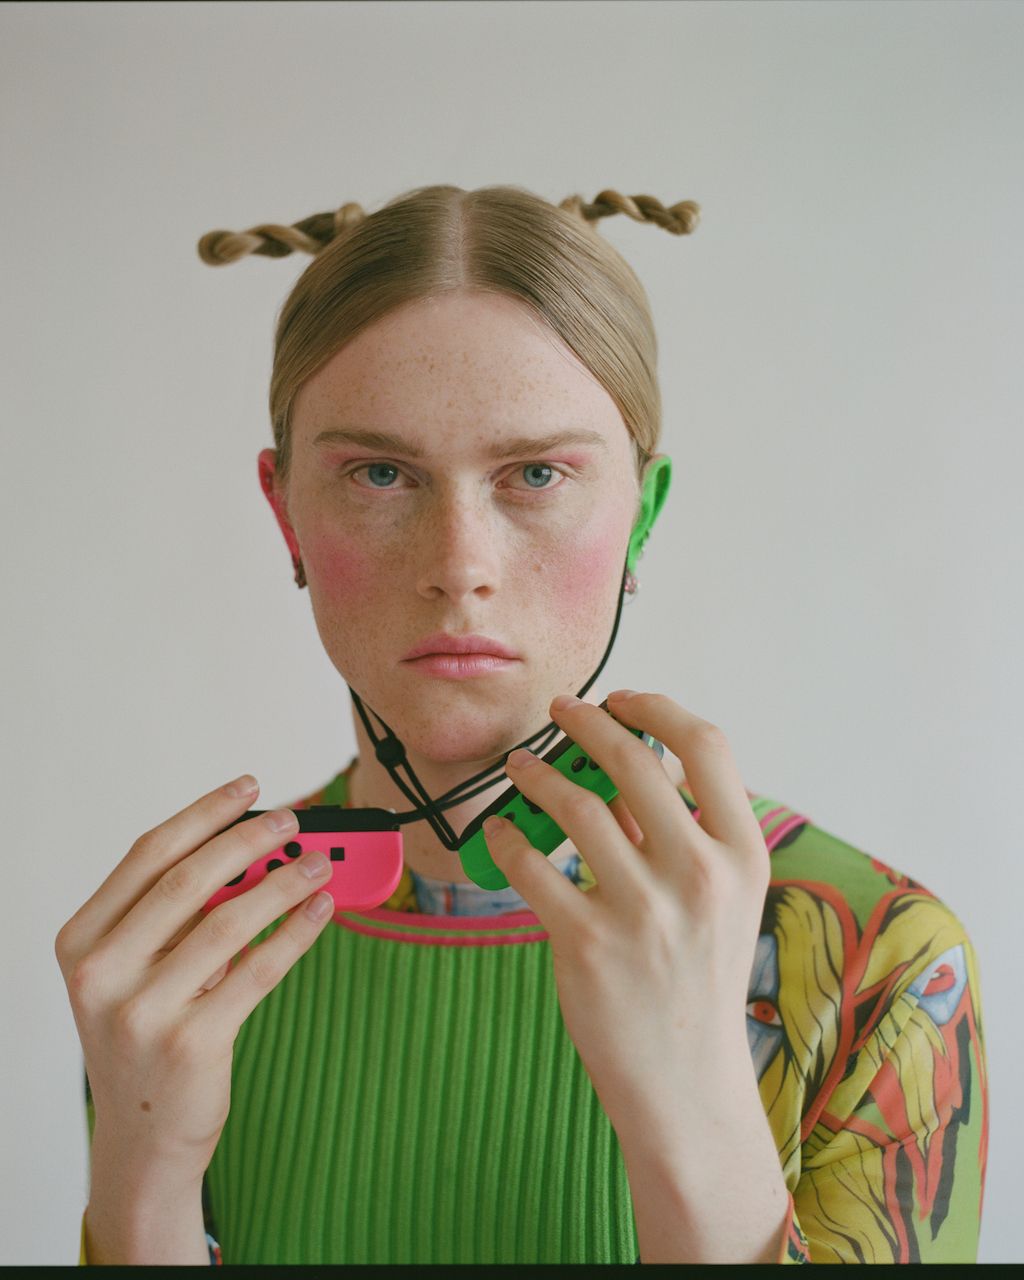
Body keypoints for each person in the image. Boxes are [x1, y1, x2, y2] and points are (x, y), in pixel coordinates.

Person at [56, 184, 987, 1265]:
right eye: (380, 474)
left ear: (640, 514)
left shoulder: (881, 964)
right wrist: (144, 1185)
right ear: (286, 514)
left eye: (536, 474)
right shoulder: (179, 962)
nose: (460, 568)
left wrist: (694, 1117)